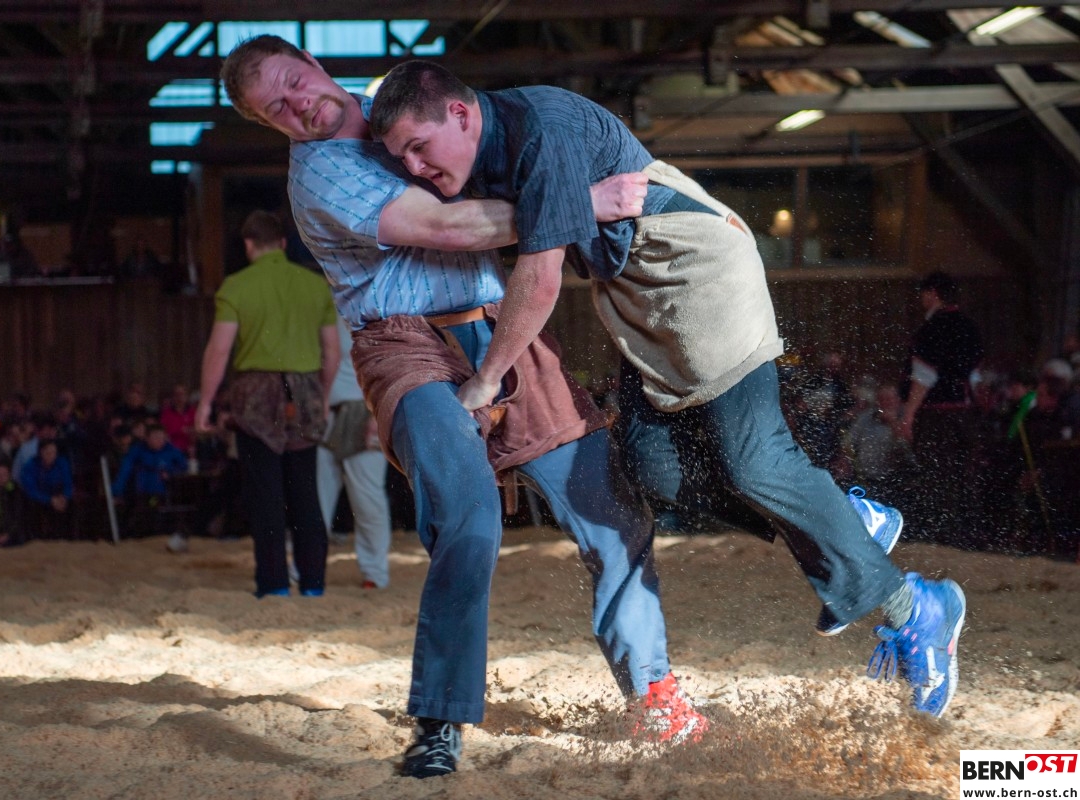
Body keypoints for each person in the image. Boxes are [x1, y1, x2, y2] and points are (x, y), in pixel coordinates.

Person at [369, 60, 966, 719]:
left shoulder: (540, 130)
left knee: (756, 462)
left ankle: (917, 609)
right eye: (401, 158)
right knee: (650, 468)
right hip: (639, 297)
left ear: (459, 114)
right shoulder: (482, 154)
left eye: (418, 147)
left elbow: (539, 281)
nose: (415, 167)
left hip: (695, 265)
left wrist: (486, 380)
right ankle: (843, 520)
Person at [220, 36, 706, 779]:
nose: (297, 106)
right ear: (269, 126)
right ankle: (439, 721)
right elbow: (446, 226)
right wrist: (580, 204)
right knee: (470, 516)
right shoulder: (320, 175)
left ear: (314, 65)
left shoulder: (399, 108)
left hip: (501, 327)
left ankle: (655, 694)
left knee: (614, 514)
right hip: (404, 344)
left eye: (293, 81)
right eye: (274, 110)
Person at [194, 209, 337, 598]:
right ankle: (313, 584)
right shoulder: (315, 286)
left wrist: (206, 402)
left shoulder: (236, 286)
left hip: (256, 395)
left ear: (248, 245)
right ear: (284, 244)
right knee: (305, 489)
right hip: (305, 390)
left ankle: (274, 584)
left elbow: (219, 351)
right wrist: (322, 397)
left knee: (265, 492)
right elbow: (331, 351)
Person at [896, 271, 985, 546]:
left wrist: (908, 415)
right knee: (963, 472)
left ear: (933, 293)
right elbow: (975, 376)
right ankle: (967, 532)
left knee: (937, 474)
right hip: (964, 411)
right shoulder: (969, 327)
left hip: (937, 414)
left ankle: (942, 533)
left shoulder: (932, 329)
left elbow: (924, 377)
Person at [317, 315, 393, 589]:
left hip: (361, 409)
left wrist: (377, 413)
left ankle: (375, 573)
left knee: (367, 498)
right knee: (317, 496)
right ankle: (305, 567)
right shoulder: (324, 303)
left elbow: (385, 363)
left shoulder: (375, 307)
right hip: (326, 411)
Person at [111, 423, 188, 539]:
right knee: (143, 512)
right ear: (147, 438)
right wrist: (116, 492)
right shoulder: (137, 451)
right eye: (155, 437)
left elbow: (183, 465)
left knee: (155, 509)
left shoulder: (170, 449)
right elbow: (125, 470)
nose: (159, 440)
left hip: (163, 494)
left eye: (162, 437)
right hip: (140, 493)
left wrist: (170, 472)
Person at [20, 438, 73, 539]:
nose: (52, 456)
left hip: (59, 496)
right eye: (48, 453)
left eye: (54, 453)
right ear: (41, 452)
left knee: (71, 505)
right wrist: (50, 500)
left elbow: (68, 483)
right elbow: (30, 490)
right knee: (31, 505)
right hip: (40, 499)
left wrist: (65, 497)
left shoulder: (62, 462)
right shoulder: (30, 466)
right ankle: (35, 538)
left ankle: (67, 538)